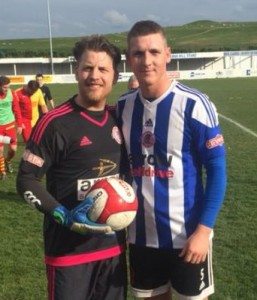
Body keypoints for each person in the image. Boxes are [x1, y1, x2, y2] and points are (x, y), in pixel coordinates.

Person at [117, 20, 227, 300]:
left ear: (167, 54)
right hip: (140, 237)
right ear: (129, 59)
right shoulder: (122, 107)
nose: (147, 60)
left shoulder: (194, 104)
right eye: (138, 53)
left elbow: (216, 170)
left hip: (188, 236)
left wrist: (204, 231)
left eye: (154, 52)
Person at [16, 35, 127, 300]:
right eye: (87, 67)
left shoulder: (120, 118)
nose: (94, 76)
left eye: (103, 69)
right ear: (76, 70)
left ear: (114, 76)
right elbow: (26, 180)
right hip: (68, 254)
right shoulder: (55, 123)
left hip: (114, 251)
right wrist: (65, 217)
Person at [0, 75, 23, 179]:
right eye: (5, 87)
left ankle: (7, 160)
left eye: (8, 87)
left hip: (10, 125)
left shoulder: (12, 93)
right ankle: (2, 172)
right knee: (0, 151)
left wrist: (19, 124)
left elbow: (17, 109)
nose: (7, 89)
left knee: (13, 149)